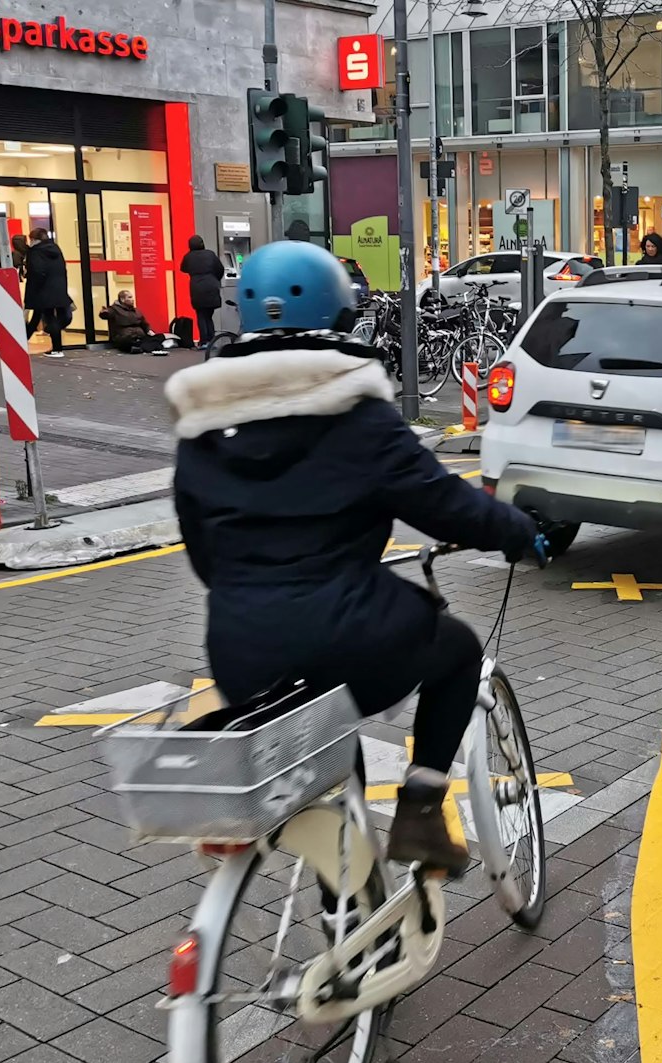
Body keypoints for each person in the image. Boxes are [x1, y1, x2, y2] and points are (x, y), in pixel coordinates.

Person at [165, 241, 545, 873]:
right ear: (340, 319)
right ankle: (421, 813)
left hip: (239, 647)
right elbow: (441, 501)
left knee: (325, 750)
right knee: (454, 650)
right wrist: (514, 530)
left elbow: (203, 549)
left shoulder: (203, 428)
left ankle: (346, 898)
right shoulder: (355, 413)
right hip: (349, 635)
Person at [23, 227, 73, 357]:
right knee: (37, 316)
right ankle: (21, 343)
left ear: (34, 239)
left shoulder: (36, 252)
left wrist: (34, 287)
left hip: (42, 290)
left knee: (49, 318)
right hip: (57, 288)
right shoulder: (55, 249)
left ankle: (57, 349)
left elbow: (37, 271)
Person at [179, 234, 223, 347]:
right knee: (209, 315)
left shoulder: (188, 257)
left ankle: (204, 341)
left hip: (197, 287)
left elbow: (183, 268)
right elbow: (220, 269)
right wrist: (215, 279)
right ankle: (212, 340)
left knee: (201, 315)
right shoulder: (210, 254)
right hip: (211, 285)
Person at [99, 291, 167, 354]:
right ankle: (146, 347)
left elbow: (144, 324)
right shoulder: (114, 309)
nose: (132, 299)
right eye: (129, 297)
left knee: (161, 336)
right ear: (122, 300)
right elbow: (105, 315)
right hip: (125, 337)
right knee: (128, 342)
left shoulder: (136, 311)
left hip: (140, 336)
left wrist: (149, 331)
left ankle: (141, 348)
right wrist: (104, 313)